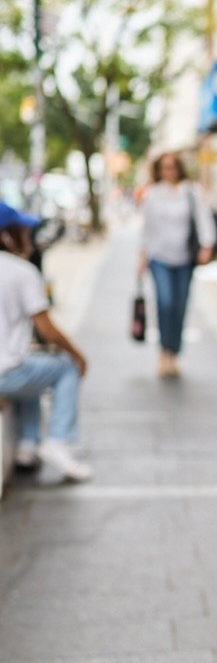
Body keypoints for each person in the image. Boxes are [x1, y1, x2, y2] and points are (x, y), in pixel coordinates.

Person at [0, 202, 92, 482]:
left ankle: (27, 446)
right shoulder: (20, 271)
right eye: (23, 230)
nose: (29, 236)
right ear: (6, 235)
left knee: (32, 362)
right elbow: (47, 329)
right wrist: (77, 354)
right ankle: (57, 441)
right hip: (5, 373)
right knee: (64, 366)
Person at [137, 152, 216, 377]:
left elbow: (203, 219)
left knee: (180, 306)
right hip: (158, 257)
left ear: (179, 168)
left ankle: (174, 353)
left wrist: (206, 246)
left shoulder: (191, 192)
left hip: (184, 259)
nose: (168, 172)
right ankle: (163, 352)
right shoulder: (152, 194)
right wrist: (141, 256)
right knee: (165, 303)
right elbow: (146, 228)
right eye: (164, 167)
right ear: (158, 170)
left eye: (172, 167)